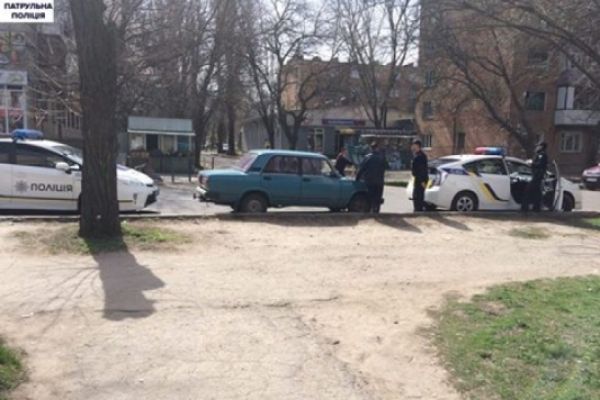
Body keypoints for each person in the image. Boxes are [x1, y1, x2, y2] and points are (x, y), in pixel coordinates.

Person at [356, 142, 386, 213]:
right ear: (377, 148)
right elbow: (386, 167)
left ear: (371, 148)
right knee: (378, 197)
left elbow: (361, 169)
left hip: (369, 181)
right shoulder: (381, 157)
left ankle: (371, 210)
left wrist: (357, 178)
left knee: (370, 197)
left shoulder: (367, 157)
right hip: (379, 181)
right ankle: (376, 210)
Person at [522, 141, 548, 212]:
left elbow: (540, 164)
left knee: (528, 190)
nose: (537, 147)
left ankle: (525, 207)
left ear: (542, 147)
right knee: (537, 192)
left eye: (538, 146)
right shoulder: (539, 154)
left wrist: (531, 163)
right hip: (536, 175)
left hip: (538, 176)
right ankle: (536, 208)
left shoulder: (542, 155)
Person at [411, 139, 429, 212]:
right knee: (416, 196)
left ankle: (418, 211)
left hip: (420, 180)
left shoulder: (420, 156)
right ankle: (418, 210)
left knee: (418, 197)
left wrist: (422, 181)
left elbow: (422, 170)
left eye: (414, 145)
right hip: (418, 179)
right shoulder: (418, 155)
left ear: (417, 146)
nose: (413, 147)